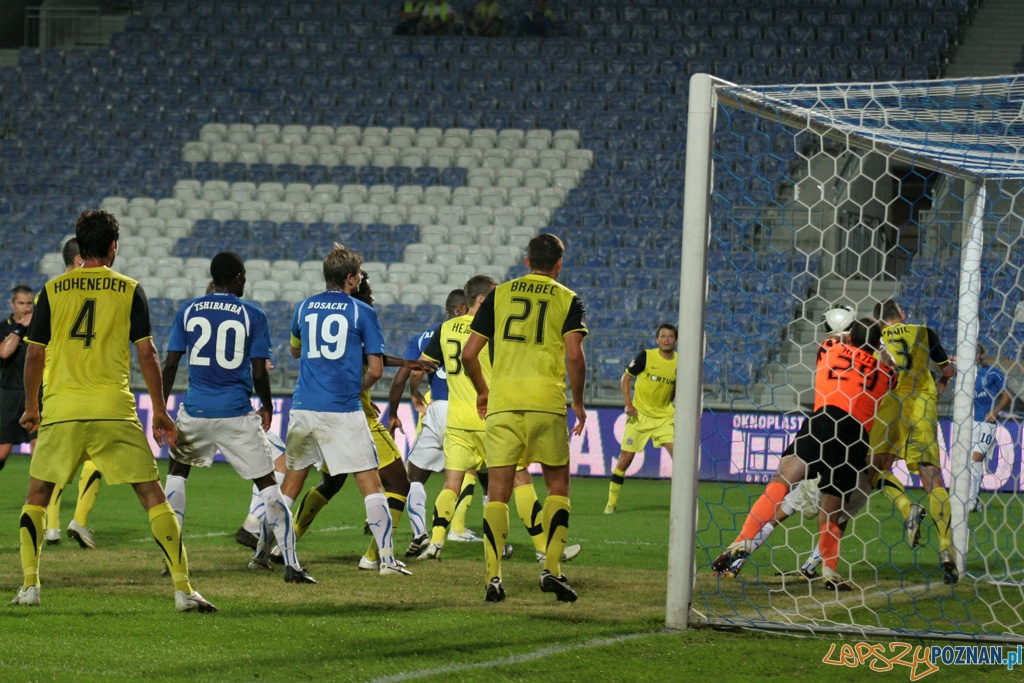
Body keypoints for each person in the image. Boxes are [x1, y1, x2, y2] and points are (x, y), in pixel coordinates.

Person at [12, 209, 215, 611]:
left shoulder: (51, 290)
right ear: (112, 247)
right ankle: (182, 589)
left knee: (38, 493)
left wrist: (31, 406)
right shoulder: (129, 289)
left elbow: (34, 356)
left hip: (63, 407)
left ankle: (31, 587)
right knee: (152, 494)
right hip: (113, 408)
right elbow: (147, 352)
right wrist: (159, 409)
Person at [161, 252, 314, 584]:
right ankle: (291, 564)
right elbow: (259, 370)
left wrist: (161, 408)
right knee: (267, 485)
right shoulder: (253, 314)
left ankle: (171, 558)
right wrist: (269, 405)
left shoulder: (187, 310)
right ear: (238, 278)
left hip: (195, 410)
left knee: (176, 474)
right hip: (236, 413)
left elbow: (170, 363)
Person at [713, 318, 892, 591]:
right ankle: (830, 569)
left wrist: (849, 333)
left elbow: (837, 337)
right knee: (831, 511)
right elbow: (894, 369)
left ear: (850, 336)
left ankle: (745, 539)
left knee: (782, 481)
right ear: (876, 344)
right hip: (854, 438)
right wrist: (880, 347)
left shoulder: (830, 348)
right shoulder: (883, 374)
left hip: (823, 421)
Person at [463, 233, 587, 602]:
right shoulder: (568, 299)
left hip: (503, 404)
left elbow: (470, 354)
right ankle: (552, 569)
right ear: (559, 264)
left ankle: (493, 578)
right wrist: (578, 404)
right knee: (557, 488)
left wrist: (484, 391)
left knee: (497, 493)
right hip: (547, 403)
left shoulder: (500, 294)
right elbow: (575, 357)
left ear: (526, 259)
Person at [281, 270, 430, 572]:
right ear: (353, 285)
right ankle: (377, 557)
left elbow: (310, 352)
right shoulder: (360, 313)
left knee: (329, 482)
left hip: (317, 407)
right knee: (397, 483)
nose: (371, 297)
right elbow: (373, 363)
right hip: (349, 414)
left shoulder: (312, 310)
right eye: (368, 292)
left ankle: (280, 544)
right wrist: (404, 364)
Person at [868, 299, 958, 584]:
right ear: (902, 316)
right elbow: (947, 370)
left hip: (891, 404)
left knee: (875, 470)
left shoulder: (874, 337)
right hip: (921, 404)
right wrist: (939, 387)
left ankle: (908, 509)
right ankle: (946, 547)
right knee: (932, 476)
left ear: (879, 321)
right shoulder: (923, 331)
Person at [386, 289, 474, 555]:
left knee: (415, 476)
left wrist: (413, 395)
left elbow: (408, 374)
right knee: (488, 474)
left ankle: (420, 533)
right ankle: (534, 547)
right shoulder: (476, 331)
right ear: (461, 308)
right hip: (466, 409)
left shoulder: (427, 336)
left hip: (436, 408)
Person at [416, 276, 497, 560]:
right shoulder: (490, 328)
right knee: (515, 481)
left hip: (455, 417)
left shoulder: (446, 327)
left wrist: (415, 392)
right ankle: (540, 550)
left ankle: (436, 541)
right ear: (482, 299)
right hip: (487, 416)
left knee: (451, 483)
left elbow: (423, 365)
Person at [42, 238, 102, 549]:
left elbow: (36, 349)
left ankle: (51, 527)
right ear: (80, 258)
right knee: (97, 457)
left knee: (55, 460)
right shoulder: (99, 291)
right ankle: (79, 520)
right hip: (89, 385)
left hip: (53, 388)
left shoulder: (50, 291)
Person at [605, 324, 677, 515]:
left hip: (664, 418)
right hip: (640, 416)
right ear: (657, 339)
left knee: (680, 459)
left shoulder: (680, 361)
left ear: (675, 340)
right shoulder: (646, 356)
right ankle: (611, 503)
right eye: (663, 336)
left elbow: (677, 386)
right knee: (625, 459)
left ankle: (681, 505)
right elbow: (625, 378)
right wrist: (628, 404)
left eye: (670, 336)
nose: (666, 339)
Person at [968, 344, 1011, 513]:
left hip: (987, 423)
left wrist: (995, 410)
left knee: (976, 458)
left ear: (981, 354)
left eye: (976, 352)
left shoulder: (991, 372)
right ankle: (973, 500)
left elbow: (1007, 394)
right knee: (971, 463)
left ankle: (971, 502)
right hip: (968, 424)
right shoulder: (963, 376)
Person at [0, 285, 37, 475]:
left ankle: (40, 501)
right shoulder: (3, 327)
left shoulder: (40, 328)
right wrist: (21, 327)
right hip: (9, 394)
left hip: (34, 394)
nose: (26, 308)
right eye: (21, 303)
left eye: (29, 303)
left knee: (38, 450)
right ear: (12, 304)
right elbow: (4, 352)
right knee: (2, 452)